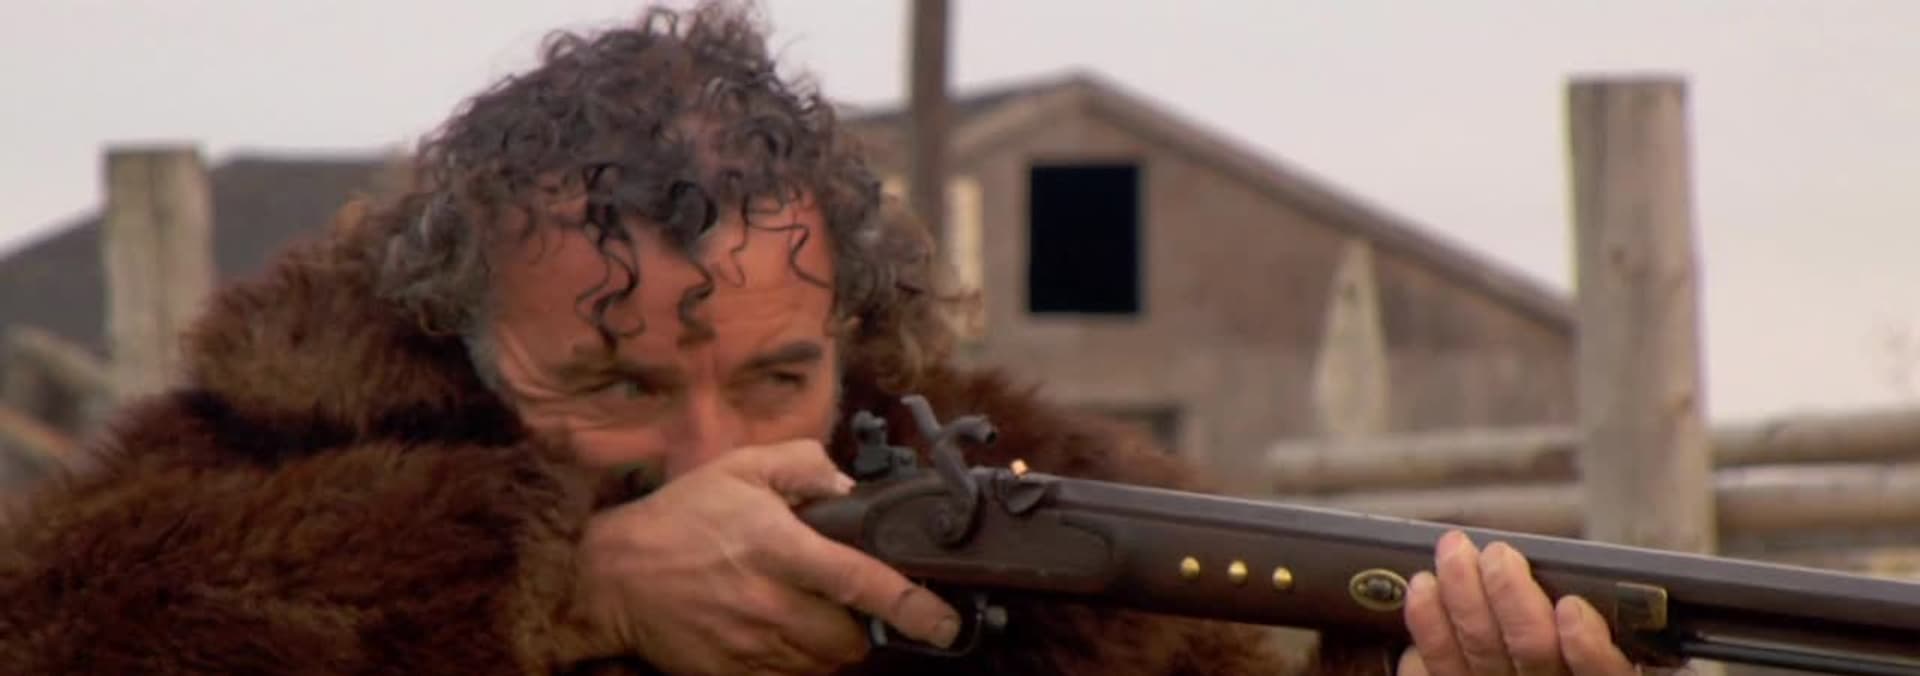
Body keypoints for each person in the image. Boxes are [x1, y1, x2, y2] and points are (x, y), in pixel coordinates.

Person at [0, 3, 1636, 675]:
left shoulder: (1020, 522)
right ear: (458, 348)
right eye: (618, 384)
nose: (725, 461)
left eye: (775, 377)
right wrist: (569, 580)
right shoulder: (249, 483)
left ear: (854, 340)